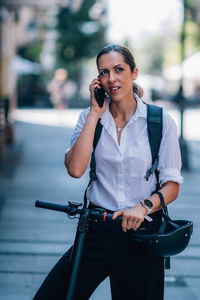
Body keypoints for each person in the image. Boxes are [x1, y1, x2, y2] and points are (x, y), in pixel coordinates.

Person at [34, 45, 183, 300]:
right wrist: (94, 114)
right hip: (96, 229)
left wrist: (143, 206)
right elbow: (75, 169)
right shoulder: (89, 117)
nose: (111, 78)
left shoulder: (160, 122)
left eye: (119, 70)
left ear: (134, 72)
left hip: (142, 234)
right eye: (104, 72)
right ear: (98, 80)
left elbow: (172, 185)